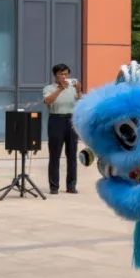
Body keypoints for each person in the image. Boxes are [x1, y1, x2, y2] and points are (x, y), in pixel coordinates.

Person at [43, 63, 82, 194]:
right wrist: (60, 89)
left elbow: (81, 102)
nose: (64, 77)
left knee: (72, 155)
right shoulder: (49, 88)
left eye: (66, 74)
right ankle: (54, 186)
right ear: (55, 75)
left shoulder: (73, 87)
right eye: (61, 74)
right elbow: (48, 101)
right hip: (56, 120)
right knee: (54, 155)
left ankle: (71, 186)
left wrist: (79, 90)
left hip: (71, 120)